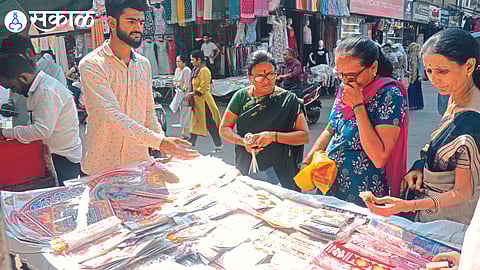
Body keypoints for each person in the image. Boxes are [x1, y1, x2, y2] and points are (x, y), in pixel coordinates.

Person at [365, 29, 480, 225]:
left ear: (468, 66)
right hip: (433, 213)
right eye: (429, 70)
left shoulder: (472, 123)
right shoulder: (454, 98)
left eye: (443, 71)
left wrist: (405, 206)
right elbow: (439, 145)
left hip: (450, 223)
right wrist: (420, 167)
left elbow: (462, 192)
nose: (434, 79)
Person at [79, 0, 198, 176]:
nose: (138, 28)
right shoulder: (92, 65)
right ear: (112, 23)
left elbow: (148, 111)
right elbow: (112, 115)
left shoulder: (144, 64)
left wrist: (162, 145)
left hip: (138, 163)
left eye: (141, 22)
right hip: (102, 166)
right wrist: (160, 141)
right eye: (131, 21)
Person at [304, 36, 409, 206]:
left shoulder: (389, 95)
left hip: (363, 190)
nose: (345, 81)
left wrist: (358, 106)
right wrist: (308, 160)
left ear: (373, 68)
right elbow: (332, 128)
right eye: (340, 75)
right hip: (329, 183)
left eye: (351, 76)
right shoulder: (345, 88)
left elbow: (379, 156)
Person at [219, 50, 309, 190]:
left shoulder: (289, 100)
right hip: (248, 162)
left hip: (281, 167)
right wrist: (242, 141)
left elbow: (304, 136)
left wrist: (273, 136)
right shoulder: (241, 97)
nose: (267, 81)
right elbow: (224, 128)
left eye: (271, 75)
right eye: (260, 76)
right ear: (250, 78)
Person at [0, 54, 82, 185]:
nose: (14, 92)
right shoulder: (39, 88)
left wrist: (6, 133)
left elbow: (42, 130)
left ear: (24, 78)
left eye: (13, 87)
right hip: (54, 154)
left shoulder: (45, 91)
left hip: (62, 158)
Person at [0, 34, 67, 127]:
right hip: (22, 128)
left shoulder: (53, 70)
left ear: (29, 54)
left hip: (44, 132)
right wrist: (9, 106)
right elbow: (12, 97)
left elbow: (56, 109)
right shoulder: (14, 74)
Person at [186, 50, 223, 152]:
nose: (191, 61)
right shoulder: (196, 69)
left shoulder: (204, 71)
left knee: (209, 123)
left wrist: (192, 94)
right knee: (195, 121)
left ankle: (218, 144)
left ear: (199, 59)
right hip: (197, 101)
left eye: (193, 59)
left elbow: (204, 87)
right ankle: (191, 144)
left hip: (204, 102)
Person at [174, 55, 192, 139]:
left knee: (186, 113)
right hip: (179, 93)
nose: (177, 63)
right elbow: (175, 80)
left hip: (185, 94)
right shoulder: (177, 70)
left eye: (179, 61)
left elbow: (187, 84)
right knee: (182, 113)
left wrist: (187, 95)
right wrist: (177, 85)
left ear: (184, 62)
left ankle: (185, 133)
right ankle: (184, 130)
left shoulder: (186, 70)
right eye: (177, 61)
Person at [407, 42, 424, 110]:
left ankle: (414, 104)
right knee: (416, 89)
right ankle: (418, 104)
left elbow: (421, 66)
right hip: (413, 74)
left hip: (416, 74)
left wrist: (421, 75)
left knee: (413, 89)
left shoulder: (418, 56)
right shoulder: (412, 55)